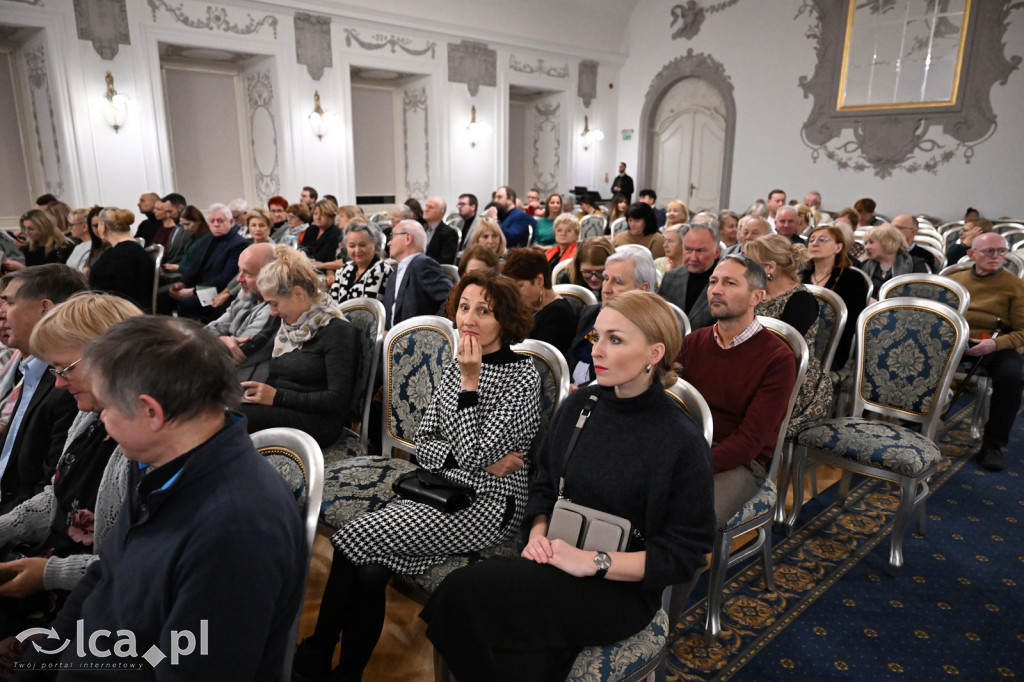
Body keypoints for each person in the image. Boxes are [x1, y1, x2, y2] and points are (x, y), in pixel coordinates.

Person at [421, 290, 715, 681]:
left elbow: (685, 554)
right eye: (596, 338)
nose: (597, 351)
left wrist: (593, 561)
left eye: (615, 340)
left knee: (465, 601)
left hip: (619, 589)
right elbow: (544, 485)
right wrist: (538, 535)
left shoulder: (680, 439)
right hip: (556, 558)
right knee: (479, 619)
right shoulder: (581, 406)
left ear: (654, 353)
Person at [17, 316, 305, 677]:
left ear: (151, 412)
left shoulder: (236, 531)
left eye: (107, 408)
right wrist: (37, 664)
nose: (102, 420)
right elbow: (104, 579)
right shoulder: (158, 467)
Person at [294, 271, 541, 681]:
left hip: (489, 505)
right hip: (440, 488)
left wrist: (470, 384)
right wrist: (472, 458)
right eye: (464, 306)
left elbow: (472, 451)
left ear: (507, 320)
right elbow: (425, 441)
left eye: (485, 311)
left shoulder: (520, 376)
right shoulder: (456, 361)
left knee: (352, 540)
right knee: (370, 570)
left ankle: (314, 654)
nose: (469, 319)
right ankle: (344, 672)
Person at [0, 293, 141, 641]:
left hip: (91, 606)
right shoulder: (88, 416)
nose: (59, 383)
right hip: (53, 568)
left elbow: (138, 568)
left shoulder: (143, 442)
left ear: (110, 361)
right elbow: (57, 498)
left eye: (65, 369)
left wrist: (50, 574)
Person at [677, 256, 797, 528]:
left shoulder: (777, 357)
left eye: (730, 283)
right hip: (688, 445)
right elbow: (672, 404)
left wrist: (692, 463)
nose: (716, 290)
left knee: (689, 517)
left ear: (757, 296)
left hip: (741, 464)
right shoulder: (693, 341)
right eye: (713, 282)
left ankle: (669, 568)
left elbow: (751, 440)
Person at [238, 246, 357, 448]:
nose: (272, 312)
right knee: (215, 407)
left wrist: (277, 396)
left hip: (319, 421)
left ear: (298, 294)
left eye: (274, 303)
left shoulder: (336, 330)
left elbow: (337, 399)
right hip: (284, 407)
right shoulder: (290, 324)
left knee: (233, 419)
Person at [0, 265, 87, 516]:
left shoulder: (67, 385)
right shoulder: (32, 367)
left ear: (46, 308)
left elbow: (47, 490)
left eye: (10, 303)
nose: (3, 313)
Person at [947, 232, 1024, 471]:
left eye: (1001, 251)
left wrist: (995, 344)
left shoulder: (1015, 286)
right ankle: (918, 422)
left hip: (995, 343)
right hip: (955, 340)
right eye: (989, 251)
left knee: (1012, 377)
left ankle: (993, 444)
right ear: (971, 254)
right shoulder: (954, 279)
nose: (996, 256)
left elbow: (1022, 331)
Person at [744, 235, 833, 437]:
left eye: (749, 265)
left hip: (791, 377)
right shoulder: (755, 293)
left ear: (769, 268)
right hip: (751, 365)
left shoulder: (801, 300)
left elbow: (780, 351)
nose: (745, 271)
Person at [567, 246, 657, 386]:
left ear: (642, 289)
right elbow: (571, 357)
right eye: (606, 279)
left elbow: (627, 381)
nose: (606, 289)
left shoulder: (650, 331)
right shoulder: (591, 313)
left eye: (617, 282)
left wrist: (580, 393)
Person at [157, 203, 248, 320]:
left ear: (230, 222)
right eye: (212, 221)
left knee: (186, 304)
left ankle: (189, 336)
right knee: (162, 297)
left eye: (220, 221)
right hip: (198, 286)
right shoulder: (207, 238)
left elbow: (225, 277)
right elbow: (195, 266)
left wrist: (192, 291)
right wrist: (183, 283)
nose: (216, 224)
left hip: (216, 291)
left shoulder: (239, 244)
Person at [801, 224, 869, 370]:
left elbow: (853, 322)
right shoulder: (800, 277)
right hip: (800, 344)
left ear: (838, 248)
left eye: (823, 239)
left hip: (833, 348)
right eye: (811, 240)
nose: (814, 243)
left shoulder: (853, 279)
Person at [205, 243, 277, 367]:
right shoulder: (246, 294)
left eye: (248, 274)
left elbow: (234, 356)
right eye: (240, 270)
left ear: (270, 277)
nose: (239, 279)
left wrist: (217, 341)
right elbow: (210, 329)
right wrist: (221, 340)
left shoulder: (273, 310)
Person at [502, 247, 577, 357]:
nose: (513, 294)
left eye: (519, 286)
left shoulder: (558, 315)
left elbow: (539, 363)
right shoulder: (528, 306)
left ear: (539, 281)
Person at [381, 220, 453, 330]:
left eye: (392, 237)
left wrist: (432, 331)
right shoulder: (393, 275)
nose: (388, 243)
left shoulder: (422, 264)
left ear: (408, 238)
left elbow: (451, 297)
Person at [88, 207, 155, 312]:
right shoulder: (128, 250)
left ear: (103, 226)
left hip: (120, 313)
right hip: (122, 310)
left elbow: (114, 292)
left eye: (98, 225)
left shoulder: (122, 254)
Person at [658, 221, 722, 330]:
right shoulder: (671, 277)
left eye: (700, 251)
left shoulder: (727, 283)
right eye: (688, 249)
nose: (693, 258)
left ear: (716, 252)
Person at [328, 221, 393, 304]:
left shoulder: (382, 269)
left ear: (373, 244)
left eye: (362, 245)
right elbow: (331, 301)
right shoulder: (344, 268)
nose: (357, 250)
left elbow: (366, 307)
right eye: (352, 246)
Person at [859, 223, 929, 297]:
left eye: (871, 242)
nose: (866, 247)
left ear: (888, 242)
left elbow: (920, 293)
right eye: (865, 243)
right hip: (871, 307)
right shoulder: (864, 265)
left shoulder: (915, 264)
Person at [4, 210, 71, 271]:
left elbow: (53, 276)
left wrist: (23, 269)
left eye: (31, 229)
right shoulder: (29, 249)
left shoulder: (63, 248)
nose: (27, 232)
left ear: (44, 228)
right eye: (25, 228)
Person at [161, 205, 211, 279]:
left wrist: (179, 268)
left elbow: (201, 268)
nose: (185, 228)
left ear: (198, 222)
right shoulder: (193, 237)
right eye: (183, 225)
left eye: (187, 224)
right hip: (185, 275)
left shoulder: (206, 239)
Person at [300, 199, 343, 267]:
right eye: (315, 214)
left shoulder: (335, 232)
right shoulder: (311, 229)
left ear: (332, 216)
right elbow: (301, 250)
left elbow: (323, 258)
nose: (318, 217)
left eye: (322, 214)